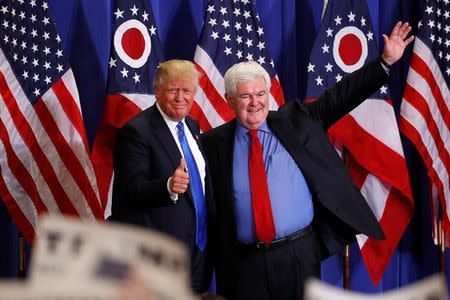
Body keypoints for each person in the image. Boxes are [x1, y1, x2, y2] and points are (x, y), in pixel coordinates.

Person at [201, 22, 414, 300]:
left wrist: (385, 62)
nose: (255, 102)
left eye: (260, 94)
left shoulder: (297, 120)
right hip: (244, 263)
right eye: (245, 96)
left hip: (299, 255)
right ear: (230, 99)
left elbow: (341, 96)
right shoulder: (211, 143)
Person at [110, 60, 215, 293]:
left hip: (198, 250)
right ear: (157, 91)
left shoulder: (192, 126)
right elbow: (131, 189)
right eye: (172, 90)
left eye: (186, 90)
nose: (180, 97)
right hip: (159, 255)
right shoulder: (136, 131)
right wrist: (168, 186)